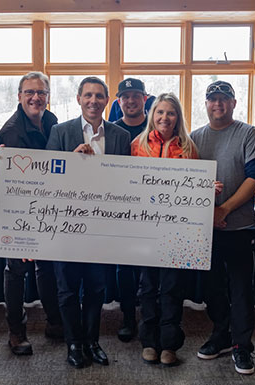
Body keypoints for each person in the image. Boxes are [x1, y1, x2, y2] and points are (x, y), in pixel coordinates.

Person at [45, 76, 131, 368]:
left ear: (108, 101)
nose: (93, 101)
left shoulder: (120, 136)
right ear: (78, 99)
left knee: (96, 288)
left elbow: (126, 181)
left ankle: (92, 342)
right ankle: (74, 344)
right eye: (88, 96)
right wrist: (70, 160)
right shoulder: (60, 132)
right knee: (68, 289)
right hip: (66, 225)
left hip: (102, 227)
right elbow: (46, 177)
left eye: (99, 96)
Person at [191, 81, 255, 375]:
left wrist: (224, 209)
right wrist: (210, 212)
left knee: (240, 289)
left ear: (234, 103)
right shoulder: (195, 137)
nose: (218, 104)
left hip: (239, 227)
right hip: (205, 229)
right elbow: (186, 180)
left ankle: (242, 346)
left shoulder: (247, 134)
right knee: (212, 289)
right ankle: (221, 335)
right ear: (206, 104)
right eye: (212, 100)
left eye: (224, 99)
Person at [0, 72, 64, 355]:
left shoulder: (52, 121)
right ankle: (16, 331)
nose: (36, 97)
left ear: (48, 96)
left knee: (47, 268)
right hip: (19, 211)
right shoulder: (11, 132)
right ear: (19, 96)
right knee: (17, 271)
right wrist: (25, 230)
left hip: (48, 209)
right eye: (29, 92)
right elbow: (15, 184)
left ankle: (54, 321)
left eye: (41, 92)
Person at [130, 93, 197, 367]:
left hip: (177, 230)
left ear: (178, 117)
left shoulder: (189, 147)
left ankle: (169, 344)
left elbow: (195, 186)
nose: (164, 118)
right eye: (159, 113)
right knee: (147, 287)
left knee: (171, 287)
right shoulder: (138, 144)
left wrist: (207, 188)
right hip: (145, 227)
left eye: (170, 113)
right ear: (151, 115)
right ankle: (149, 341)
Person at [112, 77, 148, 343]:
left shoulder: (159, 125)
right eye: (126, 97)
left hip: (155, 211)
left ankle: (150, 319)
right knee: (124, 269)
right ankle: (127, 317)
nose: (131, 100)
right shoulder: (112, 132)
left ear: (145, 98)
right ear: (119, 101)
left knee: (150, 269)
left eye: (136, 95)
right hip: (121, 211)